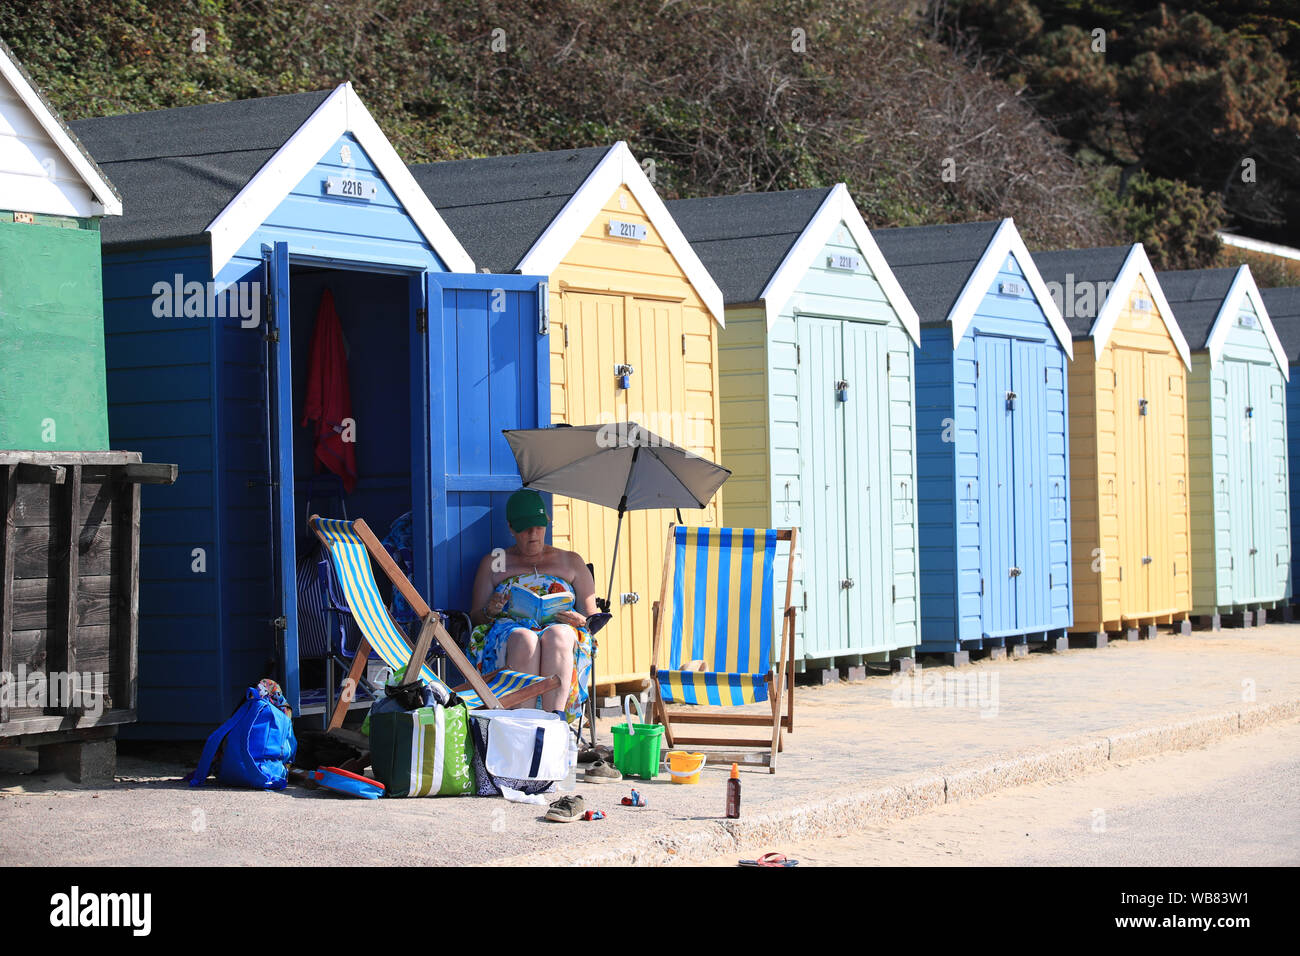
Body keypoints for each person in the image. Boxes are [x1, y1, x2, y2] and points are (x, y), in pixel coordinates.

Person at [467, 489, 596, 723]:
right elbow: (475, 616)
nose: (533, 535)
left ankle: (554, 722)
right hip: (510, 630)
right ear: (511, 528)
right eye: (525, 529)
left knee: (558, 636)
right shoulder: (496, 561)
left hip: (560, 628)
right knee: (525, 639)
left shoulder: (570, 560)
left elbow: (593, 618)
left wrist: (580, 621)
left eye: (538, 527)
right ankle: (522, 723)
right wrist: (490, 611)